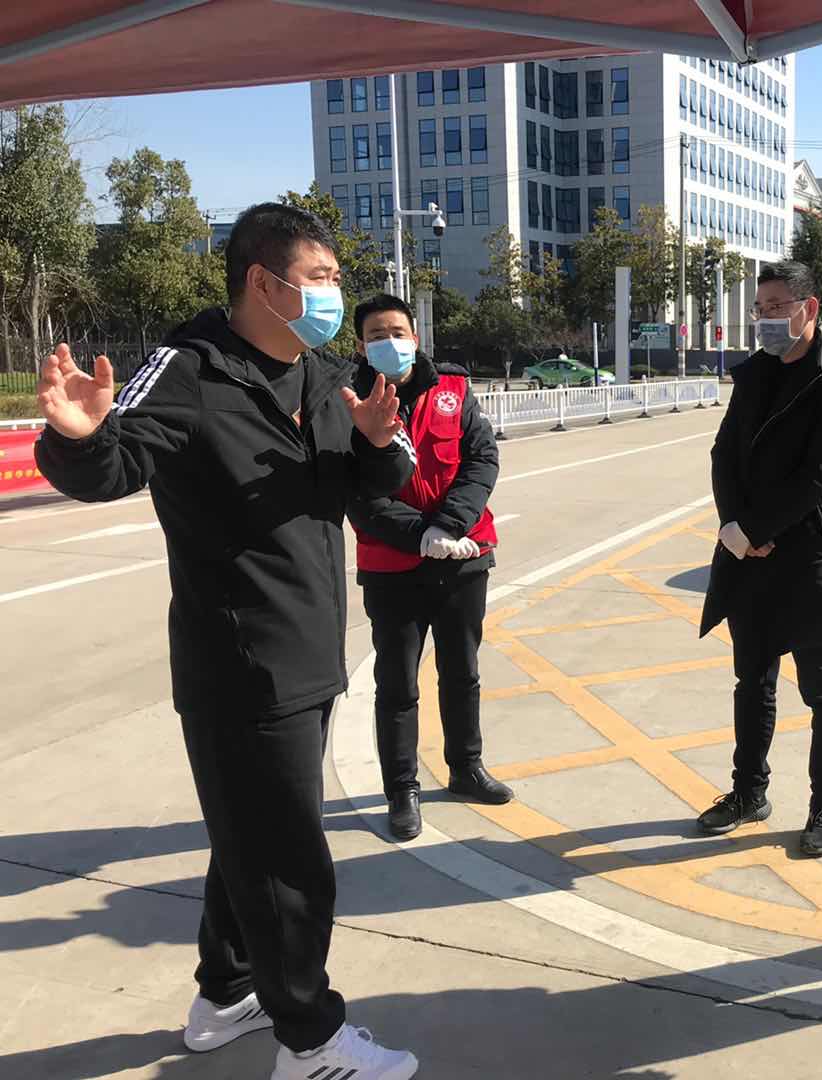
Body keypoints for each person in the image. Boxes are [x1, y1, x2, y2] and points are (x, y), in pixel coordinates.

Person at [34, 203, 420, 1080]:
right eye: (320, 278)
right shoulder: (189, 368)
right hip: (240, 663)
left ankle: (226, 994)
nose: (334, 295)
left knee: (250, 840)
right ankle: (310, 1041)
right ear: (263, 281)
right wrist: (77, 436)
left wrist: (378, 444)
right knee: (288, 862)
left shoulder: (322, 375)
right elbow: (115, 461)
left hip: (311, 650)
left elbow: (367, 495)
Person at [697, 260, 822, 857]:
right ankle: (749, 792)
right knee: (752, 682)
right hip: (750, 555)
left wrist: (757, 529)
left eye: (776, 308)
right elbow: (723, 455)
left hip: (809, 556)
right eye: (760, 309)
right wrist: (734, 528)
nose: (766, 319)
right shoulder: (755, 376)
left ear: (808, 309)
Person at [346, 293, 510, 843]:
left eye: (397, 332)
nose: (388, 342)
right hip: (392, 566)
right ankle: (402, 790)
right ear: (360, 346)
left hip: (463, 558)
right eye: (376, 335)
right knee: (397, 683)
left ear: (415, 338)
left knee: (462, 672)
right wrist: (421, 536)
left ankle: (466, 768)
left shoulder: (454, 390)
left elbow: (482, 459)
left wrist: (450, 527)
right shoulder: (347, 402)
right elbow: (358, 493)